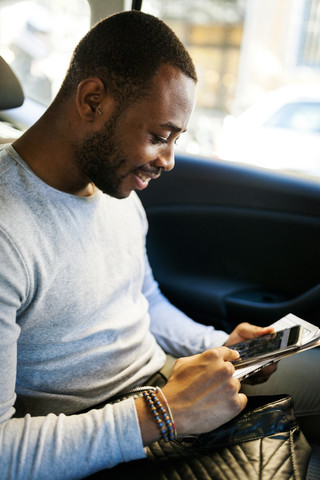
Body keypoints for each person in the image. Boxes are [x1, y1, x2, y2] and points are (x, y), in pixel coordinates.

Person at [0, 10, 319, 480]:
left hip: (160, 381)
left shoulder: (115, 189)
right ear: (92, 102)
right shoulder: (8, 230)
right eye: (158, 137)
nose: (167, 161)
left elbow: (142, 300)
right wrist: (163, 413)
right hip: (96, 428)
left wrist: (219, 346)